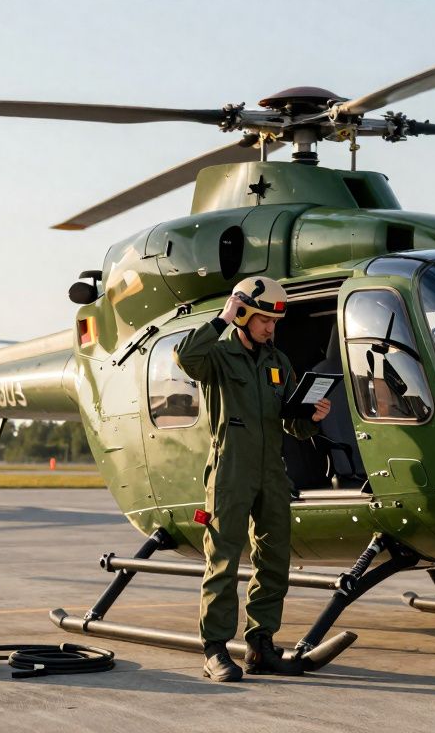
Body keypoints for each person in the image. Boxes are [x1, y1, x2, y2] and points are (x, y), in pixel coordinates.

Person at [175, 275, 331, 683]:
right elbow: (185, 358)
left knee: (274, 558)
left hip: (272, 471)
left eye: (274, 323)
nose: (269, 328)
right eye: (263, 320)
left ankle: (260, 645)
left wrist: (310, 417)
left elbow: (292, 426)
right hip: (230, 470)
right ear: (242, 313)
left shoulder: (278, 362)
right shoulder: (219, 356)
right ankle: (214, 650)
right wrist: (220, 319)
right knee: (223, 558)